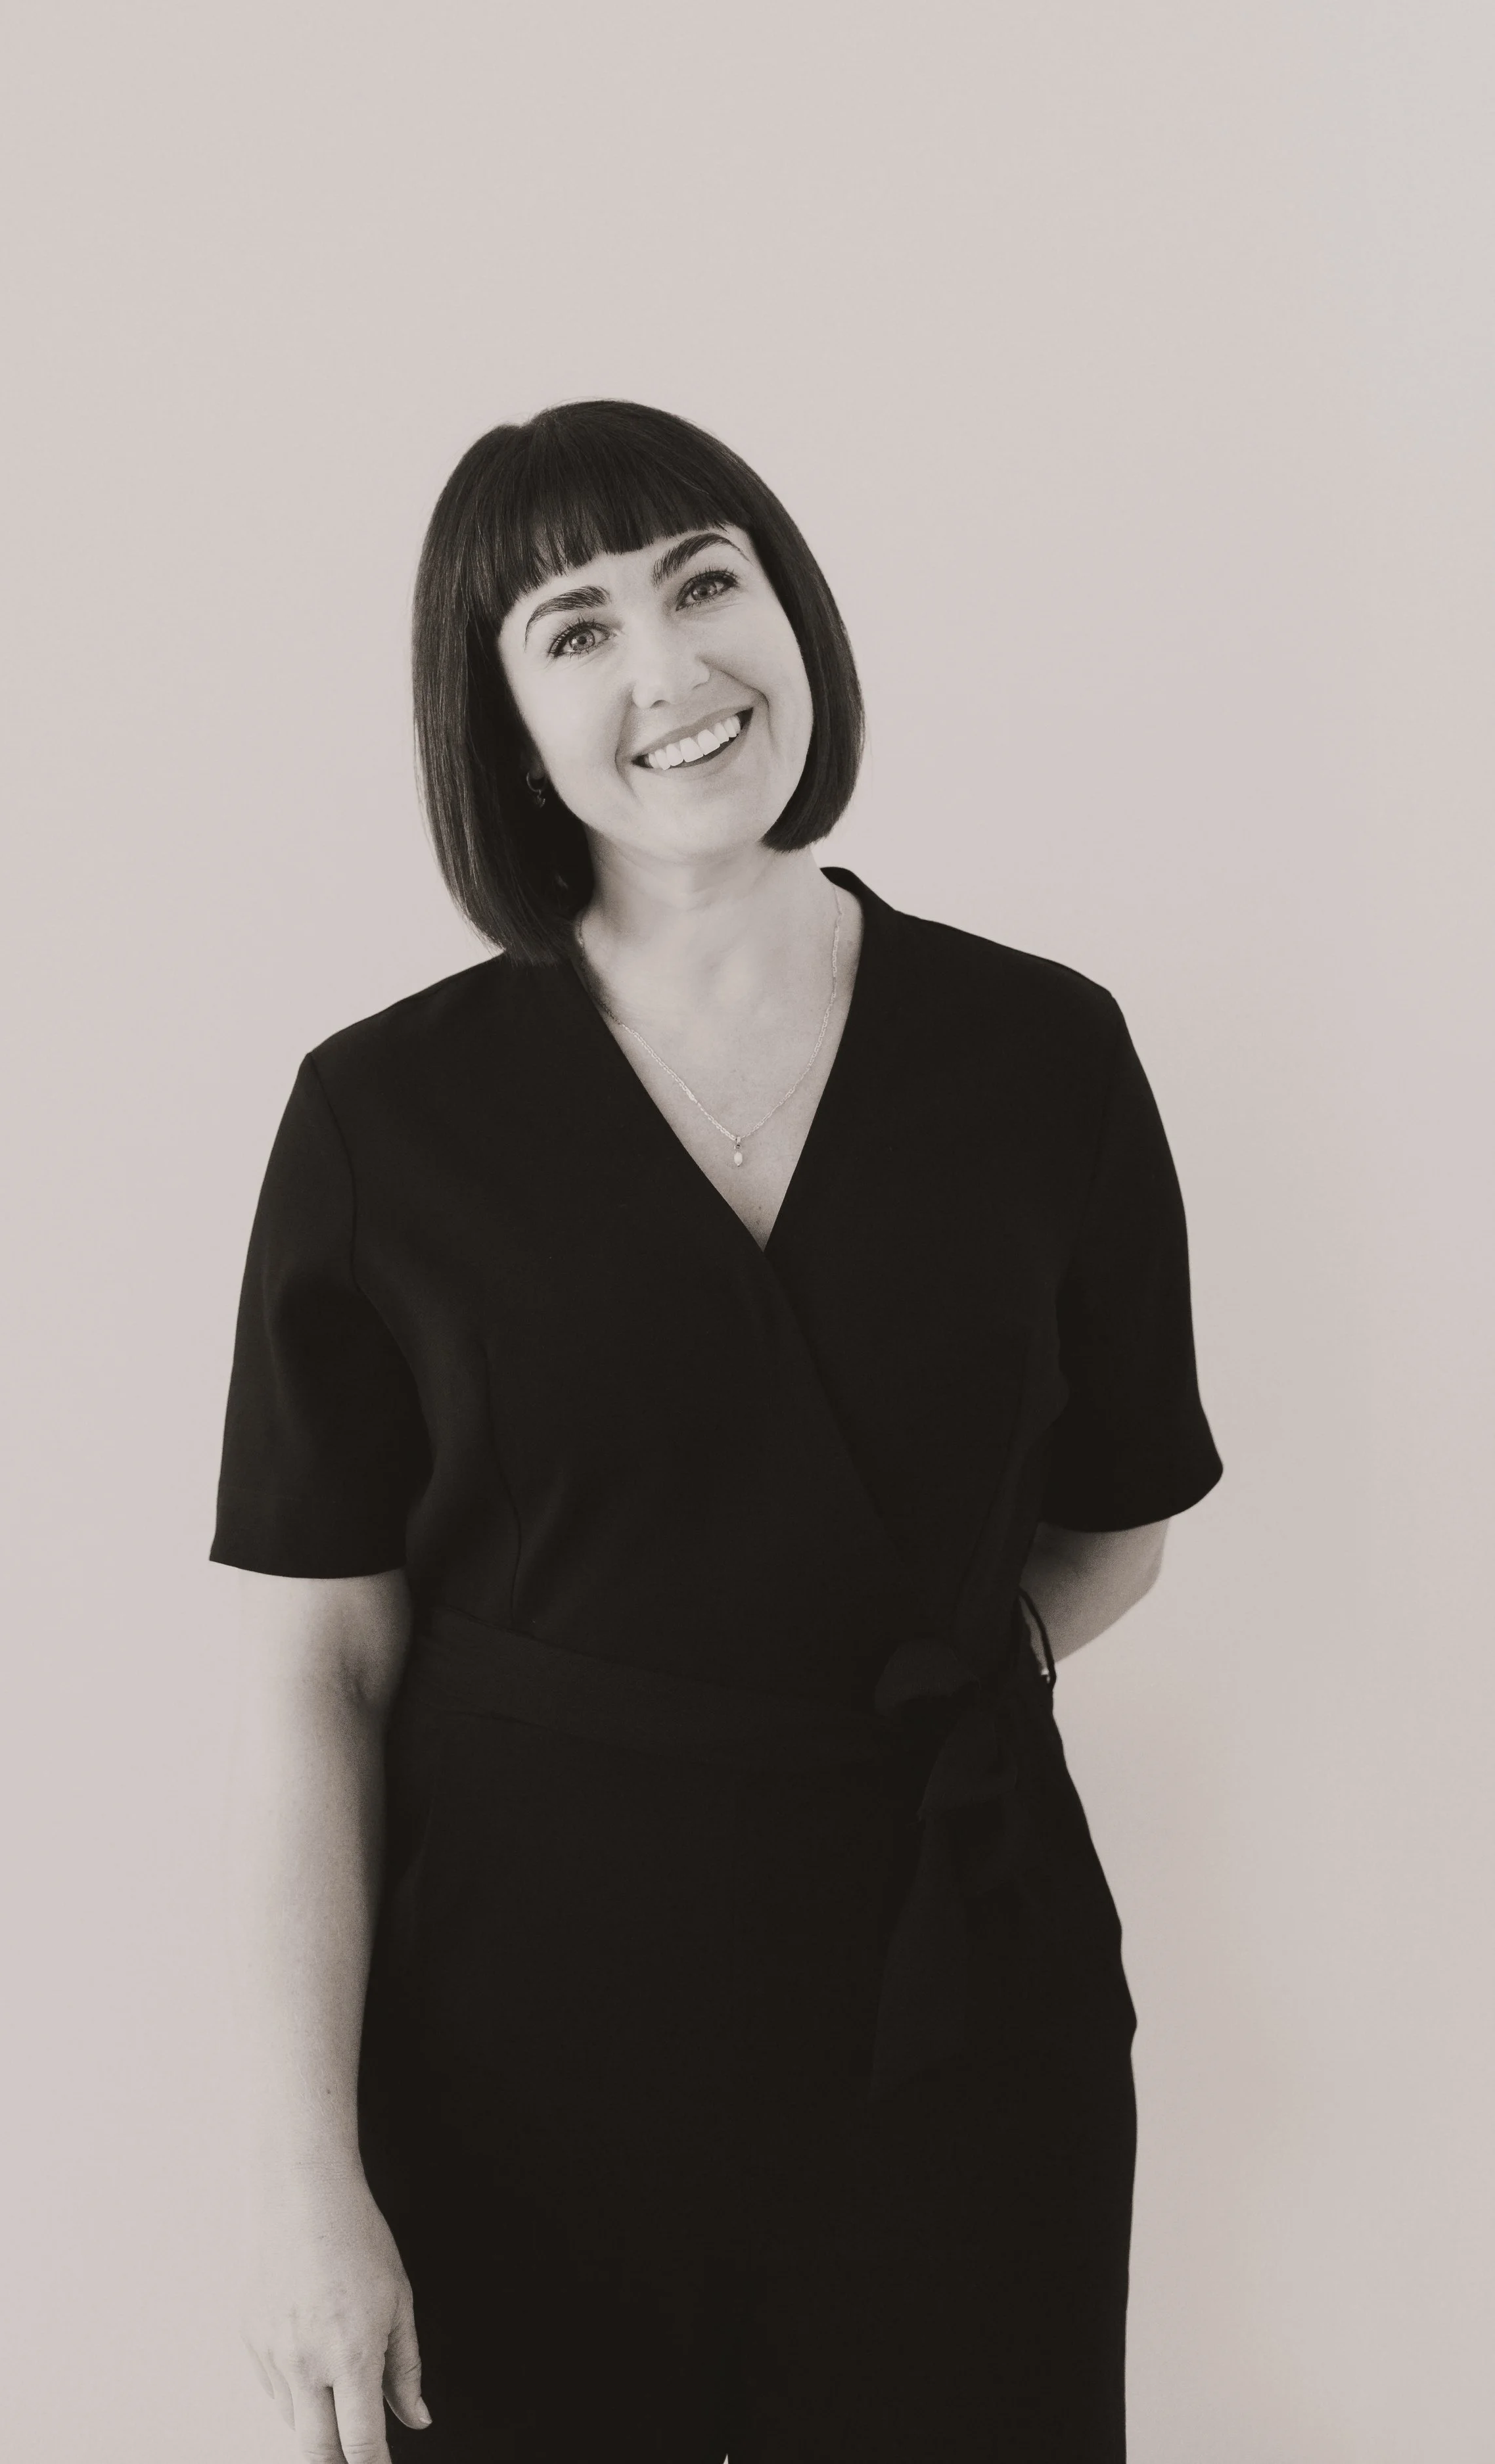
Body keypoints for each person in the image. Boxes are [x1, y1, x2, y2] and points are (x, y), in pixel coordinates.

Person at [214, 399, 1222, 2464]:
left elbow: (1114, 1524)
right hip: (517, 2054)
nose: (667, 671)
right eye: (572, 629)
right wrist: (304, 2179)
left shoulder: (1042, 1053)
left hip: (960, 2014)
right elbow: (318, 1674)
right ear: (497, 719)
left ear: (790, 611)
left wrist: (914, 1687)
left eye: (702, 583)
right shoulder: (380, 1121)